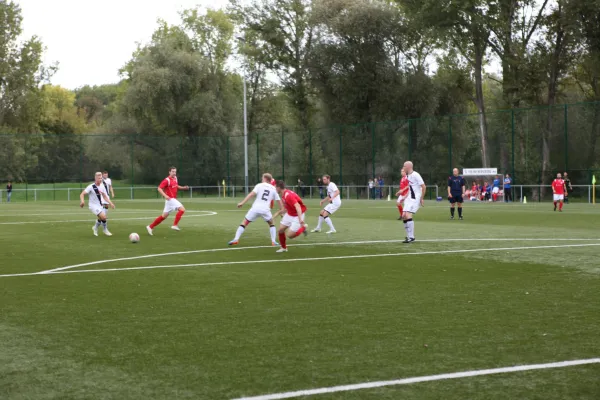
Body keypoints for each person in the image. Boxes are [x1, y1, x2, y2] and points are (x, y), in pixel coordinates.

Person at [228, 173, 284, 246]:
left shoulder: (259, 185)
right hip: (265, 210)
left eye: (262, 178)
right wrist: (281, 211)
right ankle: (273, 241)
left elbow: (251, 194)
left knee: (244, 222)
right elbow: (279, 201)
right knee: (272, 224)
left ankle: (236, 239)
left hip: (255, 208)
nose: (262, 179)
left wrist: (242, 203)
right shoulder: (273, 188)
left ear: (265, 179)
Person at [146, 167, 189, 235]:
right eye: (172, 171)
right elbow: (159, 188)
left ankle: (150, 227)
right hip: (170, 199)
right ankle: (175, 225)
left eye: (175, 172)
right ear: (169, 172)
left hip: (170, 201)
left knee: (163, 216)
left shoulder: (175, 178)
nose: (174, 173)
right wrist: (165, 195)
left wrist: (183, 187)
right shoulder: (167, 180)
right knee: (182, 209)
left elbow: (176, 186)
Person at [273, 181, 308, 253]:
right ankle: (283, 248)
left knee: (290, 235)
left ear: (279, 188)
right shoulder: (283, 195)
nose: (275, 189)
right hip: (290, 214)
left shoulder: (288, 195)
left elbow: (298, 206)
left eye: (275, 187)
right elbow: (286, 208)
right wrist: (277, 214)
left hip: (297, 215)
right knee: (281, 230)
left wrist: (300, 219)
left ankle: (303, 227)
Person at [79, 172, 115, 236]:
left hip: (99, 205)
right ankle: (105, 230)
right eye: (99, 178)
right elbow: (82, 194)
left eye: (101, 178)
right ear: (95, 178)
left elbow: (104, 196)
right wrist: (82, 201)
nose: (100, 179)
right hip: (93, 206)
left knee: (101, 218)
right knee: (103, 217)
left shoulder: (102, 186)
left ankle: (95, 228)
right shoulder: (91, 186)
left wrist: (111, 203)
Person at [402, 161, 426, 243]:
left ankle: (411, 237)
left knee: (408, 215)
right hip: (409, 198)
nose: (403, 168)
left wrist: (421, 198)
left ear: (408, 167)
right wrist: (405, 196)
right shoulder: (408, 175)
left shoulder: (416, 175)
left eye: (404, 166)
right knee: (404, 215)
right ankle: (408, 236)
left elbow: (423, 186)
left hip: (416, 198)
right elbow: (410, 187)